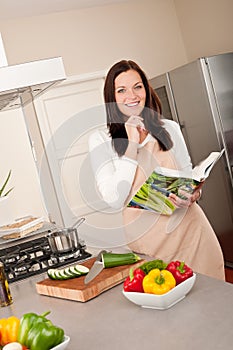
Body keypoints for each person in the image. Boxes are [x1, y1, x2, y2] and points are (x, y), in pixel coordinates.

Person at [88, 59, 225, 280]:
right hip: (148, 241)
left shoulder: (168, 128)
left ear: (146, 89)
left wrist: (194, 194)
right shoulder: (100, 140)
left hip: (190, 229)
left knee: (215, 295)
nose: (131, 96)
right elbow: (114, 200)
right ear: (111, 98)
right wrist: (131, 144)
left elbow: (186, 174)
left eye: (137, 87)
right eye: (121, 90)